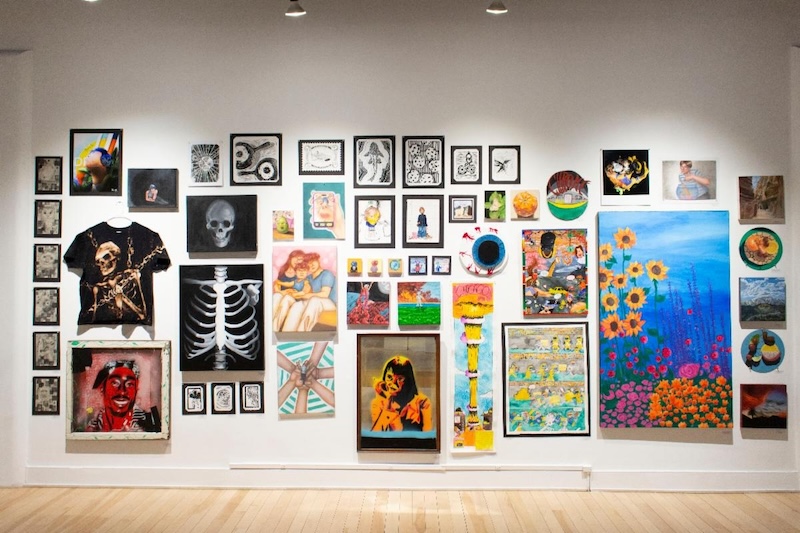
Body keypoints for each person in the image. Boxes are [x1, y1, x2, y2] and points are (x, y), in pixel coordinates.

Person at [86, 360, 160, 432]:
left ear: (136, 389)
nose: (122, 392)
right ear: (102, 388)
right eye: (115, 383)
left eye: (129, 384)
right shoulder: (90, 427)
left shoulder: (149, 424)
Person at [370, 355, 432, 432]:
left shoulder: (422, 402)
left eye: (400, 378)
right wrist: (387, 402)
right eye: (389, 377)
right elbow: (375, 434)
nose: (393, 383)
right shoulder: (378, 403)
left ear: (408, 380)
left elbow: (427, 433)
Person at [280, 253, 337, 332]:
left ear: (318, 261)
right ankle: (287, 333)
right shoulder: (308, 277)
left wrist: (304, 295)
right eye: (308, 263)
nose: (311, 265)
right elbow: (302, 290)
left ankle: (302, 333)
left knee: (314, 300)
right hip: (313, 301)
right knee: (298, 305)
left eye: (313, 261)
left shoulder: (326, 274)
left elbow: (325, 294)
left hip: (330, 303)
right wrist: (294, 292)